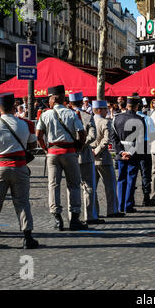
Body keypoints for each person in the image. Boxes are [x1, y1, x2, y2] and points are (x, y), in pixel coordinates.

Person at [0, 92, 38, 249]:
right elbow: (33, 145)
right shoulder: (25, 124)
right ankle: (27, 237)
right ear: (14, 107)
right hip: (19, 166)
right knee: (22, 201)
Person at [35, 84, 88, 231]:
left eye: (49, 99)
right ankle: (75, 218)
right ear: (63, 98)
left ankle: (57, 219)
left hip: (52, 153)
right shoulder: (72, 114)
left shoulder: (45, 115)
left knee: (53, 185)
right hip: (69, 152)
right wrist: (79, 146)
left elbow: (38, 135)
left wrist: (46, 148)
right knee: (74, 185)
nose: (48, 102)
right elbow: (81, 132)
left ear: (53, 99)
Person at [69, 91, 102, 225]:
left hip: (71, 155)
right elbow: (92, 136)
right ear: (81, 102)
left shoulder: (67, 116)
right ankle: (90, 215)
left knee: (72, 187)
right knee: (89, 186)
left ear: (70, 103)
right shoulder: (87, 116)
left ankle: (72, 216)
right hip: (85, 155)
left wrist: (75, 144)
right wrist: (82, 144)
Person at [111, 95, 145, 213]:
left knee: (121, 179)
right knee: (131, 178)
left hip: (120, 152)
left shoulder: (116, 118)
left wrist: (121, 151)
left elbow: (113, 138)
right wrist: (130, 152)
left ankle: (120, 205)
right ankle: (128, 205)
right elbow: (140, 140)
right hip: (133, 153)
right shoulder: (140, 119)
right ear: (137, 106)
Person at [91, 100, 123, 217]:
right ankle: (112, 210)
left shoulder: (89, 121)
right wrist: (97, 151)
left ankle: (94, 212)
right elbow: (106, 140)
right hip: (103, 158)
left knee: (92, 187)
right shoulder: (105, 122)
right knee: (110, 186)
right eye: (105, 109)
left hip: (91, 158)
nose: (106, 111)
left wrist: (91, 151)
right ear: (100, 110)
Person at [136, 97, 155, 206]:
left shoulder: (128, 118)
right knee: (145, 173)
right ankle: (146, 197)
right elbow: (153, 135)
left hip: (131, 147)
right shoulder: (147, 119)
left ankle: (129, 199)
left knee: (132, 173)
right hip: (145, 146)